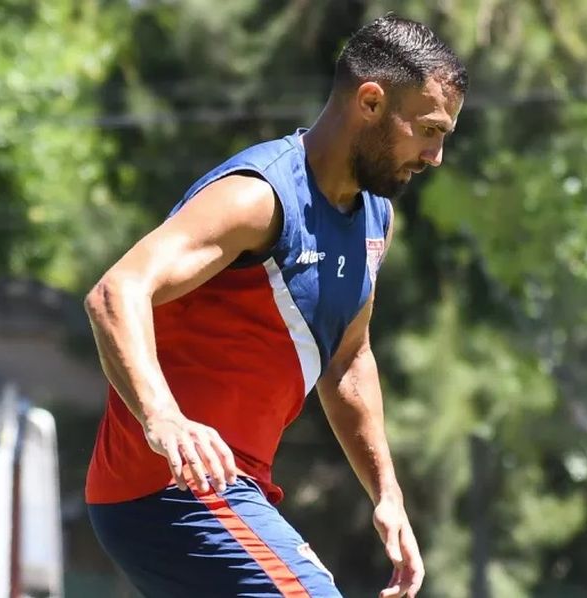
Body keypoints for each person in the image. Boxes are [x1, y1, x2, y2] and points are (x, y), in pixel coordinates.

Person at [81, 13, 467, 598]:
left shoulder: (375, 218)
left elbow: (348, 360)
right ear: (370, 101)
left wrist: (387, 493)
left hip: (235, 488)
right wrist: (164, 418)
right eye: (429, 129)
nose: (435, 155)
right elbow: (116, 291)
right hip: (169, 485)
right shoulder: (257, 197)